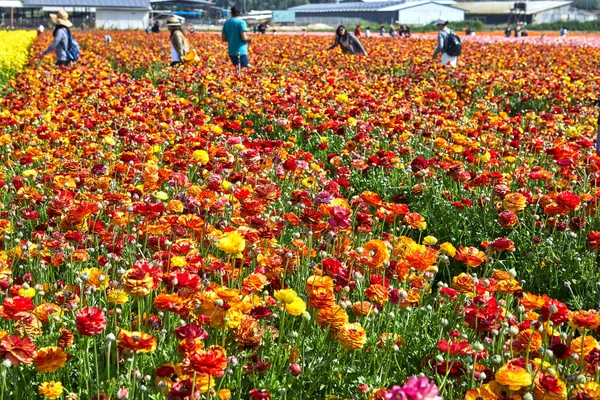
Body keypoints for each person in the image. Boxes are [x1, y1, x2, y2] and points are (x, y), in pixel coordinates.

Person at [222, 5, 252, 69]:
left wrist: (232, 38)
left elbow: (224, 39)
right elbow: (244, 37)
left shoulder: (227, 23)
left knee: (236, 73)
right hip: (241, 52)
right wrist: (249, 39)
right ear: (240, 13)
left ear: (231, 13)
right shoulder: (241, 22)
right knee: (245, 71)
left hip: (231, 52)